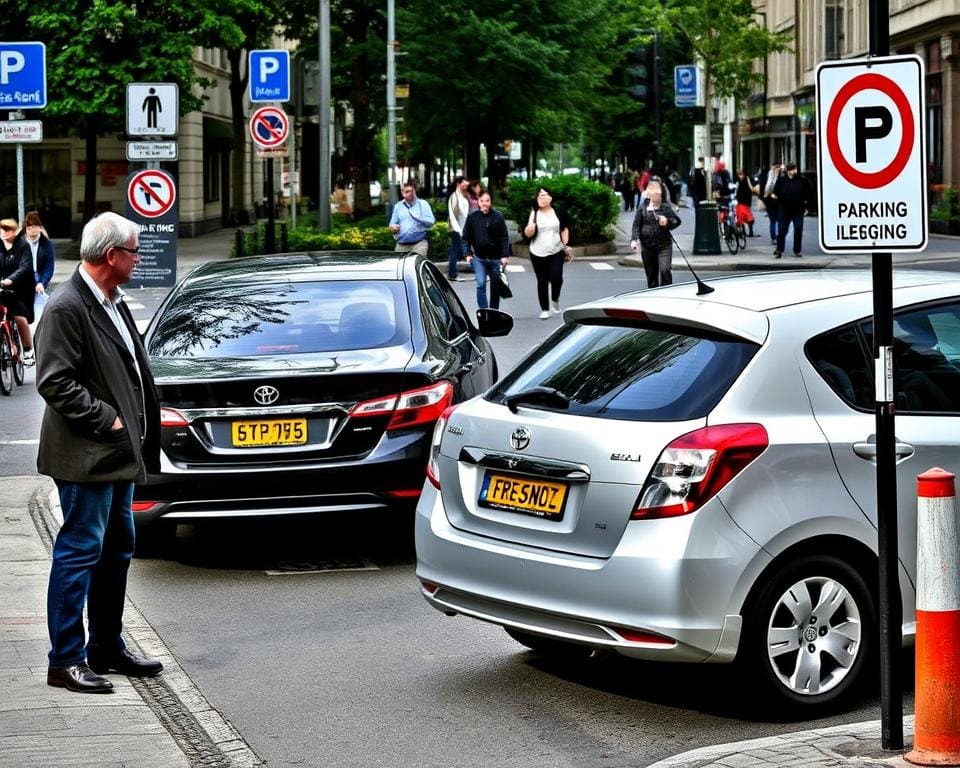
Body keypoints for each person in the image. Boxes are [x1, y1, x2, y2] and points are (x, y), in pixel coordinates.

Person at [36, 211, 163, 694]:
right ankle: (65, 659)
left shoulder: (112, 299)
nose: (138, 258)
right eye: (134, 251)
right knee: (79, 552)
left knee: (116, 551)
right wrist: (107, 418)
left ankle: (106, 646)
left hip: (117, 455)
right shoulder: (68, 306)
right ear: (112, 255)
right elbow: (54, 381)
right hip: (86, 455)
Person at [523, 187, 572, 320]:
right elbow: (527, 233)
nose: (541, 198)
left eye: (544, 195)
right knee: (542, 280)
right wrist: (531, 227)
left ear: (550, 197)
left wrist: (565, 245)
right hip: (537, 251)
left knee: (557, 278)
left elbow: (564, 228)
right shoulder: (535, 212)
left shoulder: (558, 211)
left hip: (556, 250)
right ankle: (545, 309)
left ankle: (555, 299)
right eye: (539, 195)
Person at [462, 191, 509, 310]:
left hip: (495, 258)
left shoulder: (498, 217)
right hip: (479, 258)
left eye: (487, 201)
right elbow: (465, 237)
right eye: (482, 201)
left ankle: (494, 311)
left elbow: (504, 237)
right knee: (481, 283)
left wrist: (505, 255)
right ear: (478, 202)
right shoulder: (473, 217)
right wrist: (467, 253)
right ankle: (484, 311)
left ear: (491, 202)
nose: (484, 204)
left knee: (495, 286)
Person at [630, 179, 681, 288]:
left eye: (658, 193)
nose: (656, 195)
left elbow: (677, 221)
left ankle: (667, 291)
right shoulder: (642, 208)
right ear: (648, 193)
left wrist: (667, 221)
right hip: (647, 246)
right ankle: (653, 294)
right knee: (651, 275)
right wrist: (634, 240)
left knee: (665, 270)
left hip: (664, 245)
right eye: (653, 192)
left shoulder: (665, 207)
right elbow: (636, 225)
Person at [0, 217, 35, 364]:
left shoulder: (23, 246)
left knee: (20, 317)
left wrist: (10, 280)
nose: (3, 232)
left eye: (7, 229)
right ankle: (7, 344)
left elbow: (25, 267)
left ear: (14, 231)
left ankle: (28, 351)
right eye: (1, 229)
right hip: (1, 287)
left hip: (20, 288)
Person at [771, 162, 812, 258]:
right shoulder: (782, 181)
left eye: (795, 169)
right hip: (784, 209)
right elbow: (776, 193)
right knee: (782, 229)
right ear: (788, 171)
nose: (795, 171)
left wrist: (807, 206)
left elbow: (809, 193)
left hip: (798, 209)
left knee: (798, 229)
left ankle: (797, 250)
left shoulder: (802, 180)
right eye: (793, 169)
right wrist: (777, 201)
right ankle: (779, 249)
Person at [388, 181, 435, 257]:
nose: (407, 193)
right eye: (405, 191)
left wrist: (419, 218)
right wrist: (393, 228)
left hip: (419, 244)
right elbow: (392, 224)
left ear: (414, 191)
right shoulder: (398, 206)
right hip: (401, 245)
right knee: (400, 268)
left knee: (416, 266)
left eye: (409, 191)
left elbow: (431, 222)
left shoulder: (423, 204)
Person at [22, 211, 56, 306]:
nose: (32, 230)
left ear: (39, 228)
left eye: (34, 227)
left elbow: (49, 267)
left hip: (39, 277)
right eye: (29, 228)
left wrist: (42, 283)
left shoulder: (47, 244)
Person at [446, 175, 469, 281]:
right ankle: (452, 273)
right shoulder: (455, 196)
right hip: (456, 228)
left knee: (456, 249)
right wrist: (458, 228)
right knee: (454, 250)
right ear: (458, 184)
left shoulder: (460, 195)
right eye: (464, 182)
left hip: (458, 227)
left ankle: (453, 272)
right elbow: (454, 213)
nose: (466, 184)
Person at [763, 162, 782, 245]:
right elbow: (767, 189)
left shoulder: (781, 176)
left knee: (778, 220)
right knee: (773, 220)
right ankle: (774, 237)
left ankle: (778, 236)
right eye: (776, 167)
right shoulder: (769, 176)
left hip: (779, 201)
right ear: (772, 167)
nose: (777, 169)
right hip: (770, 201)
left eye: (779, 167)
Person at [735, 168, 758, 237]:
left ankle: (747, 232)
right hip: (744, 201)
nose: (740, 176)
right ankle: (746, 232)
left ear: (744, 173)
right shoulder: (742, 180)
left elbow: (752, 187)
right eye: (739, 174)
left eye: (741, 174)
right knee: (746, 216)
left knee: (743, 216)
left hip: (744, 201)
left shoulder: (747, 179)